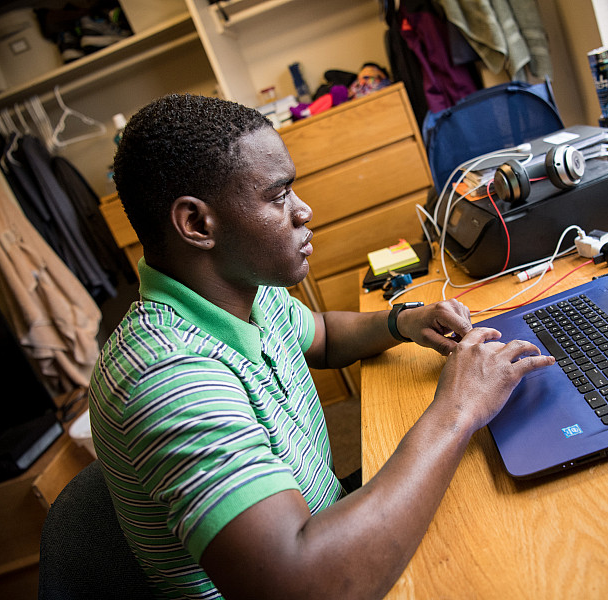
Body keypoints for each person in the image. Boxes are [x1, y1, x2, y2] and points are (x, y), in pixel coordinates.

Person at [90, 93, 554, 599]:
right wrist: (458, 409)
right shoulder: (167, 375)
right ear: (198, 225)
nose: (303, 209)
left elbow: (324, 336)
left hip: (329, 522)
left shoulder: (244, 291)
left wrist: (402, 322)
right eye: (277, 195)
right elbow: (304, 585)